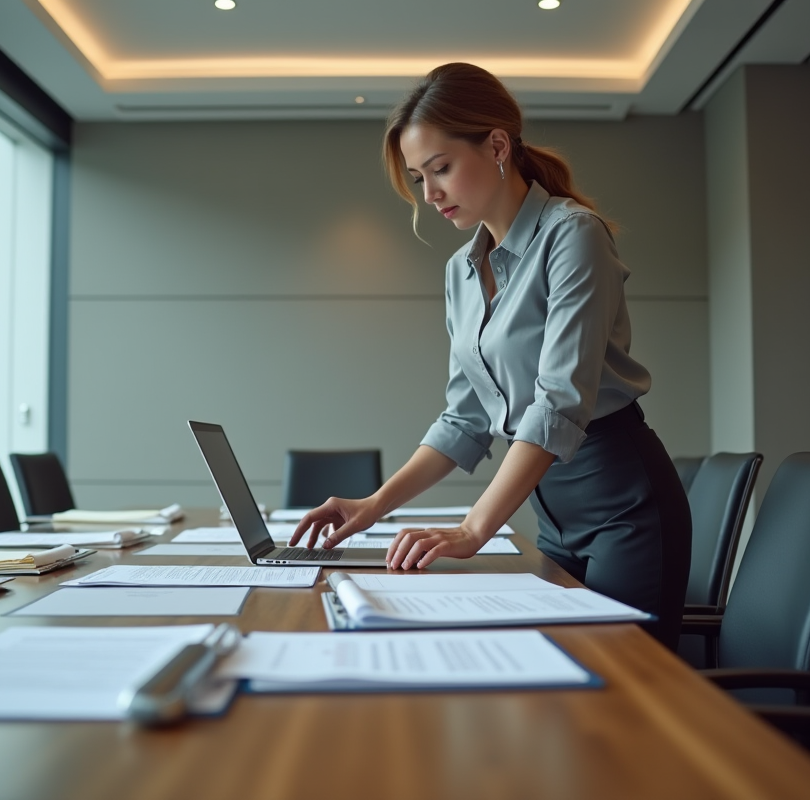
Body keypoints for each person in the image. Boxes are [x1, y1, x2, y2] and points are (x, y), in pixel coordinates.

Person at [289, 63, 691, 650]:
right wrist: (372, 505)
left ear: (497, 145)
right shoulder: (460, 270)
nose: (430, 195)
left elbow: (558, 403)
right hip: (549, 509)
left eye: (441, 169)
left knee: (621, 695)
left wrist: (475, 527)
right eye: (419, 178)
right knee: (562, 690)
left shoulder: (572, 234)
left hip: (622, 502)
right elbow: (464, 419)